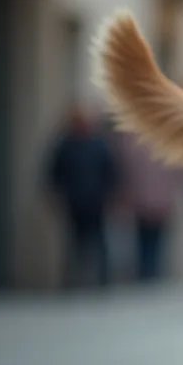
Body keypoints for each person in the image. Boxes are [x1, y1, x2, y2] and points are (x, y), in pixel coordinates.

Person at [47, 106, 118, 288]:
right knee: (75, 242)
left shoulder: (99, 146)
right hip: (74, 202)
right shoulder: (65, 146)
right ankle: (73, 280)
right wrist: (61, 194)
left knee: (99, 241)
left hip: (96, 202)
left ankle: (102, 279)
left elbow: (111, 172)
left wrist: (108, 195)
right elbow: (55, 173)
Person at [114, 132, 182, 281]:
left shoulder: (134, 140)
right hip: (149, 203)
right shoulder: (162, 138)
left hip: (149, 203)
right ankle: (150, 277)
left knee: (150, 245)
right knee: (148, 245)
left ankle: (150, 276)